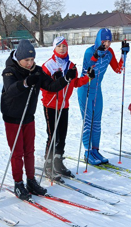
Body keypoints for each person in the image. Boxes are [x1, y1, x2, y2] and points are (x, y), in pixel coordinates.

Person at [0, 39, 65, 200]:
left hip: (28, 115)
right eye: (27, 60)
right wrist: (25, 82)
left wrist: (65, 79)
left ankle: (30, 180)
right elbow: (10, 89)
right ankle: (18, 183)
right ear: (19, 58)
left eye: (32, 60)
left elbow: (51, 86)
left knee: (29, 151)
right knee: (17, 152)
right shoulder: (9, 71)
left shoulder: (36, 70)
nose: (30, 63)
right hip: (13, 116)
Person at [40, 36, 94, 179]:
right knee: (53, 135)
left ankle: (58, 161)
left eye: (64, 46)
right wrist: (57, 80)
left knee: (62, 135)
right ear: (54, 48)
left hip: (64, 104)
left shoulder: (71, 66)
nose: (62, 49)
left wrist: (87, 77)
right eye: (59, 46)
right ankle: (48, 163)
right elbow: (44, 87)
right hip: (50, 105)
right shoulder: (48, 66)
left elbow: (75, 82)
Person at [77, 28, 129, 165]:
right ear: (98, 40)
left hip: (97, 90)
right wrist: (95, 56)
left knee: (97, 122)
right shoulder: (89, 52)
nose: (106, 44)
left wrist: (123, 54)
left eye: (109, 41)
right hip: (85, 89)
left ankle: (95, 150)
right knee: (88, 121)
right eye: (104, 41)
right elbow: (86, 71)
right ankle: (87, 152)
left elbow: (118, 69)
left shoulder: (109, 53)